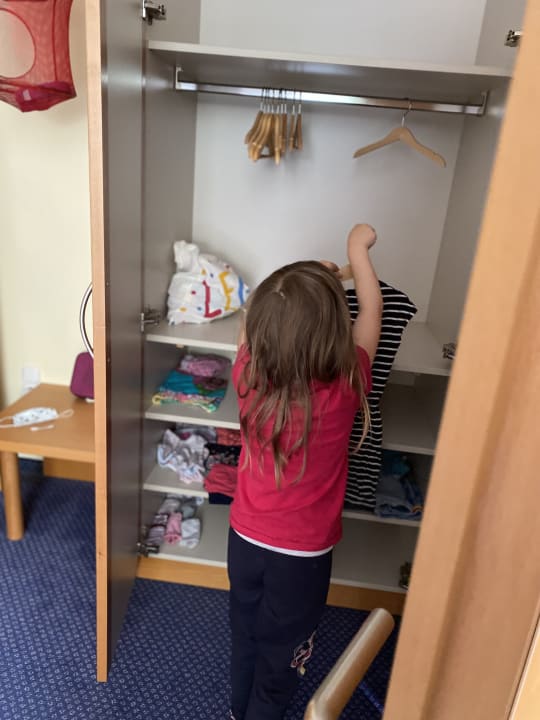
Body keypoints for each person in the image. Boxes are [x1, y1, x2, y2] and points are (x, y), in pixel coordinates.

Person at [227, 223, 382, 720]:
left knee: (245, 635)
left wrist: (309, 276)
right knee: (282, 654)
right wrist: (358, 252)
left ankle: (238, 712)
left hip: (244, 539)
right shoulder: (347, 385)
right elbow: (372, 315)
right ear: (334, 329)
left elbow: (253, 320)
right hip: (302, 557)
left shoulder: (248, 374)